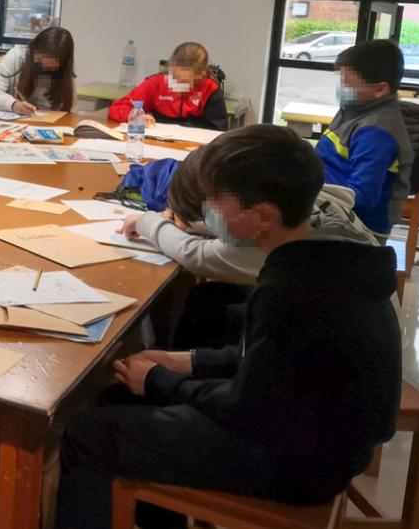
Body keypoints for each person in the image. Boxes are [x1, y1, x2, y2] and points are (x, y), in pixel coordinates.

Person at [56, 125, 401, 529]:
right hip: (319, 432)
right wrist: (187, 361)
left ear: (264, 217)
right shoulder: (323, 258)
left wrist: (160, 382)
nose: (209, 214)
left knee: (88, 434)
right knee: (120, 400)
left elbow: (247, 407)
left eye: (217, 203)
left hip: (299, 461)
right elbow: (276, 363)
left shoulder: (292, 288)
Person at [121, 147, 378, 348]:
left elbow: (195, 255)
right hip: (340, 332)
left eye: (214, 210)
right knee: (208, 297)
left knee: (208, 309)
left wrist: (146, 221)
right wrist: (197, 224)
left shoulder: (282, 248)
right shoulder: (298, 206)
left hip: (319, 364)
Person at [315, 40, 412, 236]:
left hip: (355, 227)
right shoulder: (356, 108)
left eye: (347, 84)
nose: (341, 88)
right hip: (328, 203)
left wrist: (310, 195)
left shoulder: (376, 132)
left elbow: (363, 197)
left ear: (380, 90)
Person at [108, 42, 226, 130]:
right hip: (156, 143)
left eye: (187, 80)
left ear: (202, 74)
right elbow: (117, 108)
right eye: (175, 77)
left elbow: (219, 130)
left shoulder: (210, 90)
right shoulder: (155, 83)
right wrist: (137, 117)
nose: (180, 85)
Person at [0, 26, 75, 113]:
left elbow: (71, 112)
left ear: (62, 63)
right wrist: (13, 104)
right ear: (34, 49)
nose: (43, 68)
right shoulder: (17, 56)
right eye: (40, 61)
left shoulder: (64, 74)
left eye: (50, 67)